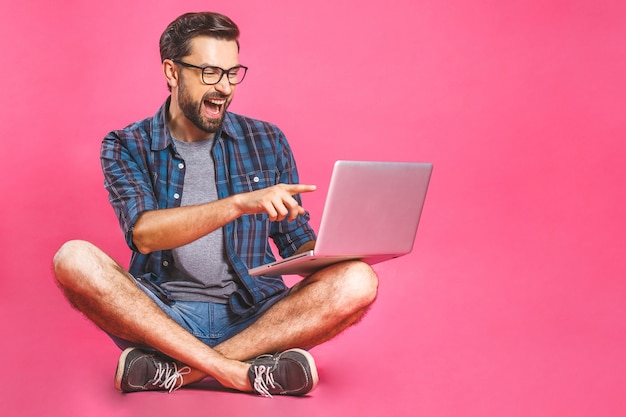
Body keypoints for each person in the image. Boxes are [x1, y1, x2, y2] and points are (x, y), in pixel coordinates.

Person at [53, 11, 378, 398]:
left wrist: (336, 252)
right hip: (164, 317)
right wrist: (239, 203)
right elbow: (144, 234)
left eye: (231, 73)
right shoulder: (126, 145)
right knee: (72, 258)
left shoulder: (266, 139)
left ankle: (175, 372)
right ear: (172, 73)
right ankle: (246, 373)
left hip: (256, 316)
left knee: (359, 280)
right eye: (209, 72)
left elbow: (296, 242)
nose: (223, 87)